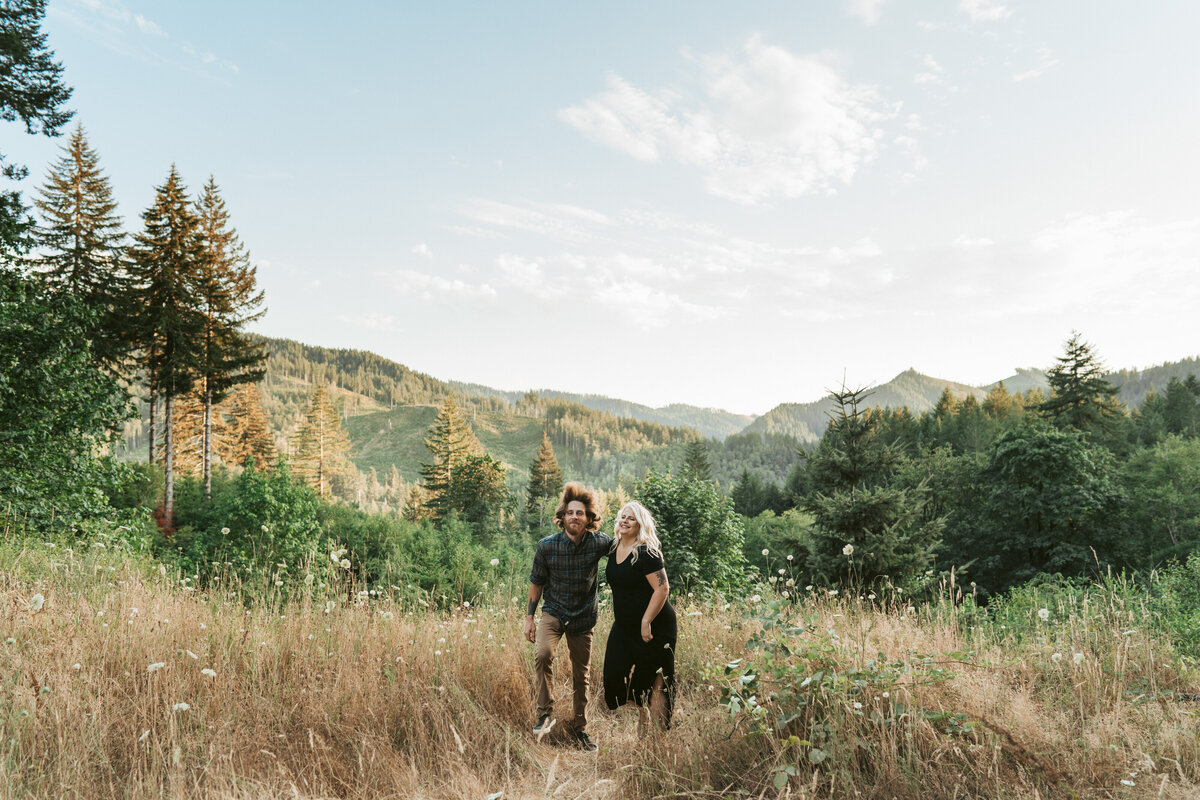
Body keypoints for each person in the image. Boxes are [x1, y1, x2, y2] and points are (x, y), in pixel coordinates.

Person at [525, 482, 613, 751]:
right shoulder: (547, 546)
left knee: (581, 674)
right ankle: (545, 714)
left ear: (589, 519)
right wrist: (529, 618)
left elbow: (623, 552)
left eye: (580, 513)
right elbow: (537, 583)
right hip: (553, 612)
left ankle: (579, 728)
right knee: (543, 654)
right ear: (562, 516)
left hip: (583, 617)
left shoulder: (600, 543)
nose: (575, 517)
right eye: (570, 512)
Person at [602, 500, 676, 731]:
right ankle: (644, 717)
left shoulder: (646, 552)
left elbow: (662, 588)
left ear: (640, 524)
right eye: (622, 517)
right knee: (613, 679)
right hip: (624, 627)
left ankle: (654, 737)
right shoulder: (613, 547)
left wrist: (646, 621)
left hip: (655, 627)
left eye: (631, 518)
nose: (624, 521)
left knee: (654, 682)